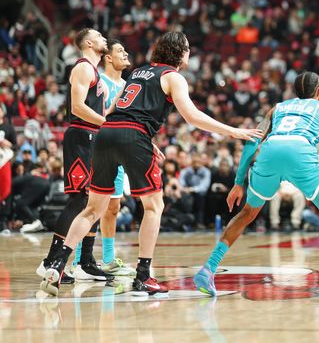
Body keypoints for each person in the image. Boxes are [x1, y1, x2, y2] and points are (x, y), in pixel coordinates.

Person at [40, 31, 262, 296]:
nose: (190, 53)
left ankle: (56, 264)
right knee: (154, 206)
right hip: (133, 135)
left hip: (106, 133)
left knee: (91, 209)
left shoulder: (136, 73)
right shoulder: (172, 76)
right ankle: (143, 275)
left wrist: (132, 135)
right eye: (188, 48)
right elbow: (192, 116)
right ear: (179, 52)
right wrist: (234, 131)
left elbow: (110, 111)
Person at [193, 72, 319, 298]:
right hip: (301, 152)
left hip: (270, 151)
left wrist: (238, 182)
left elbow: (253, 140)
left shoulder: (278, 108)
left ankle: (208, 269)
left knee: (247, 213)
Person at [37, 28, 112, 284]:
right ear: (89, 43)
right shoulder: (82, 67)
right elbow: (78, 107)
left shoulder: (95, 71)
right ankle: (51, 262)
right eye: (100, 36)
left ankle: (84, 261)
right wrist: (107, 124)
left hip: (93, 136)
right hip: (82, 135)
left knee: (93, 201)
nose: (105, 39)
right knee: (80, 200)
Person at [84, 39, 134, 276]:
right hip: (98, 147)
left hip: (119, 149)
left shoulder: (129, 85)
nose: (125, 53)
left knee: (113, 206)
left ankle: (108, 258)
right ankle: (79, 261)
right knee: (91, 206)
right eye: (120, 50)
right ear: (108, 58)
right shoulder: (97, 80)